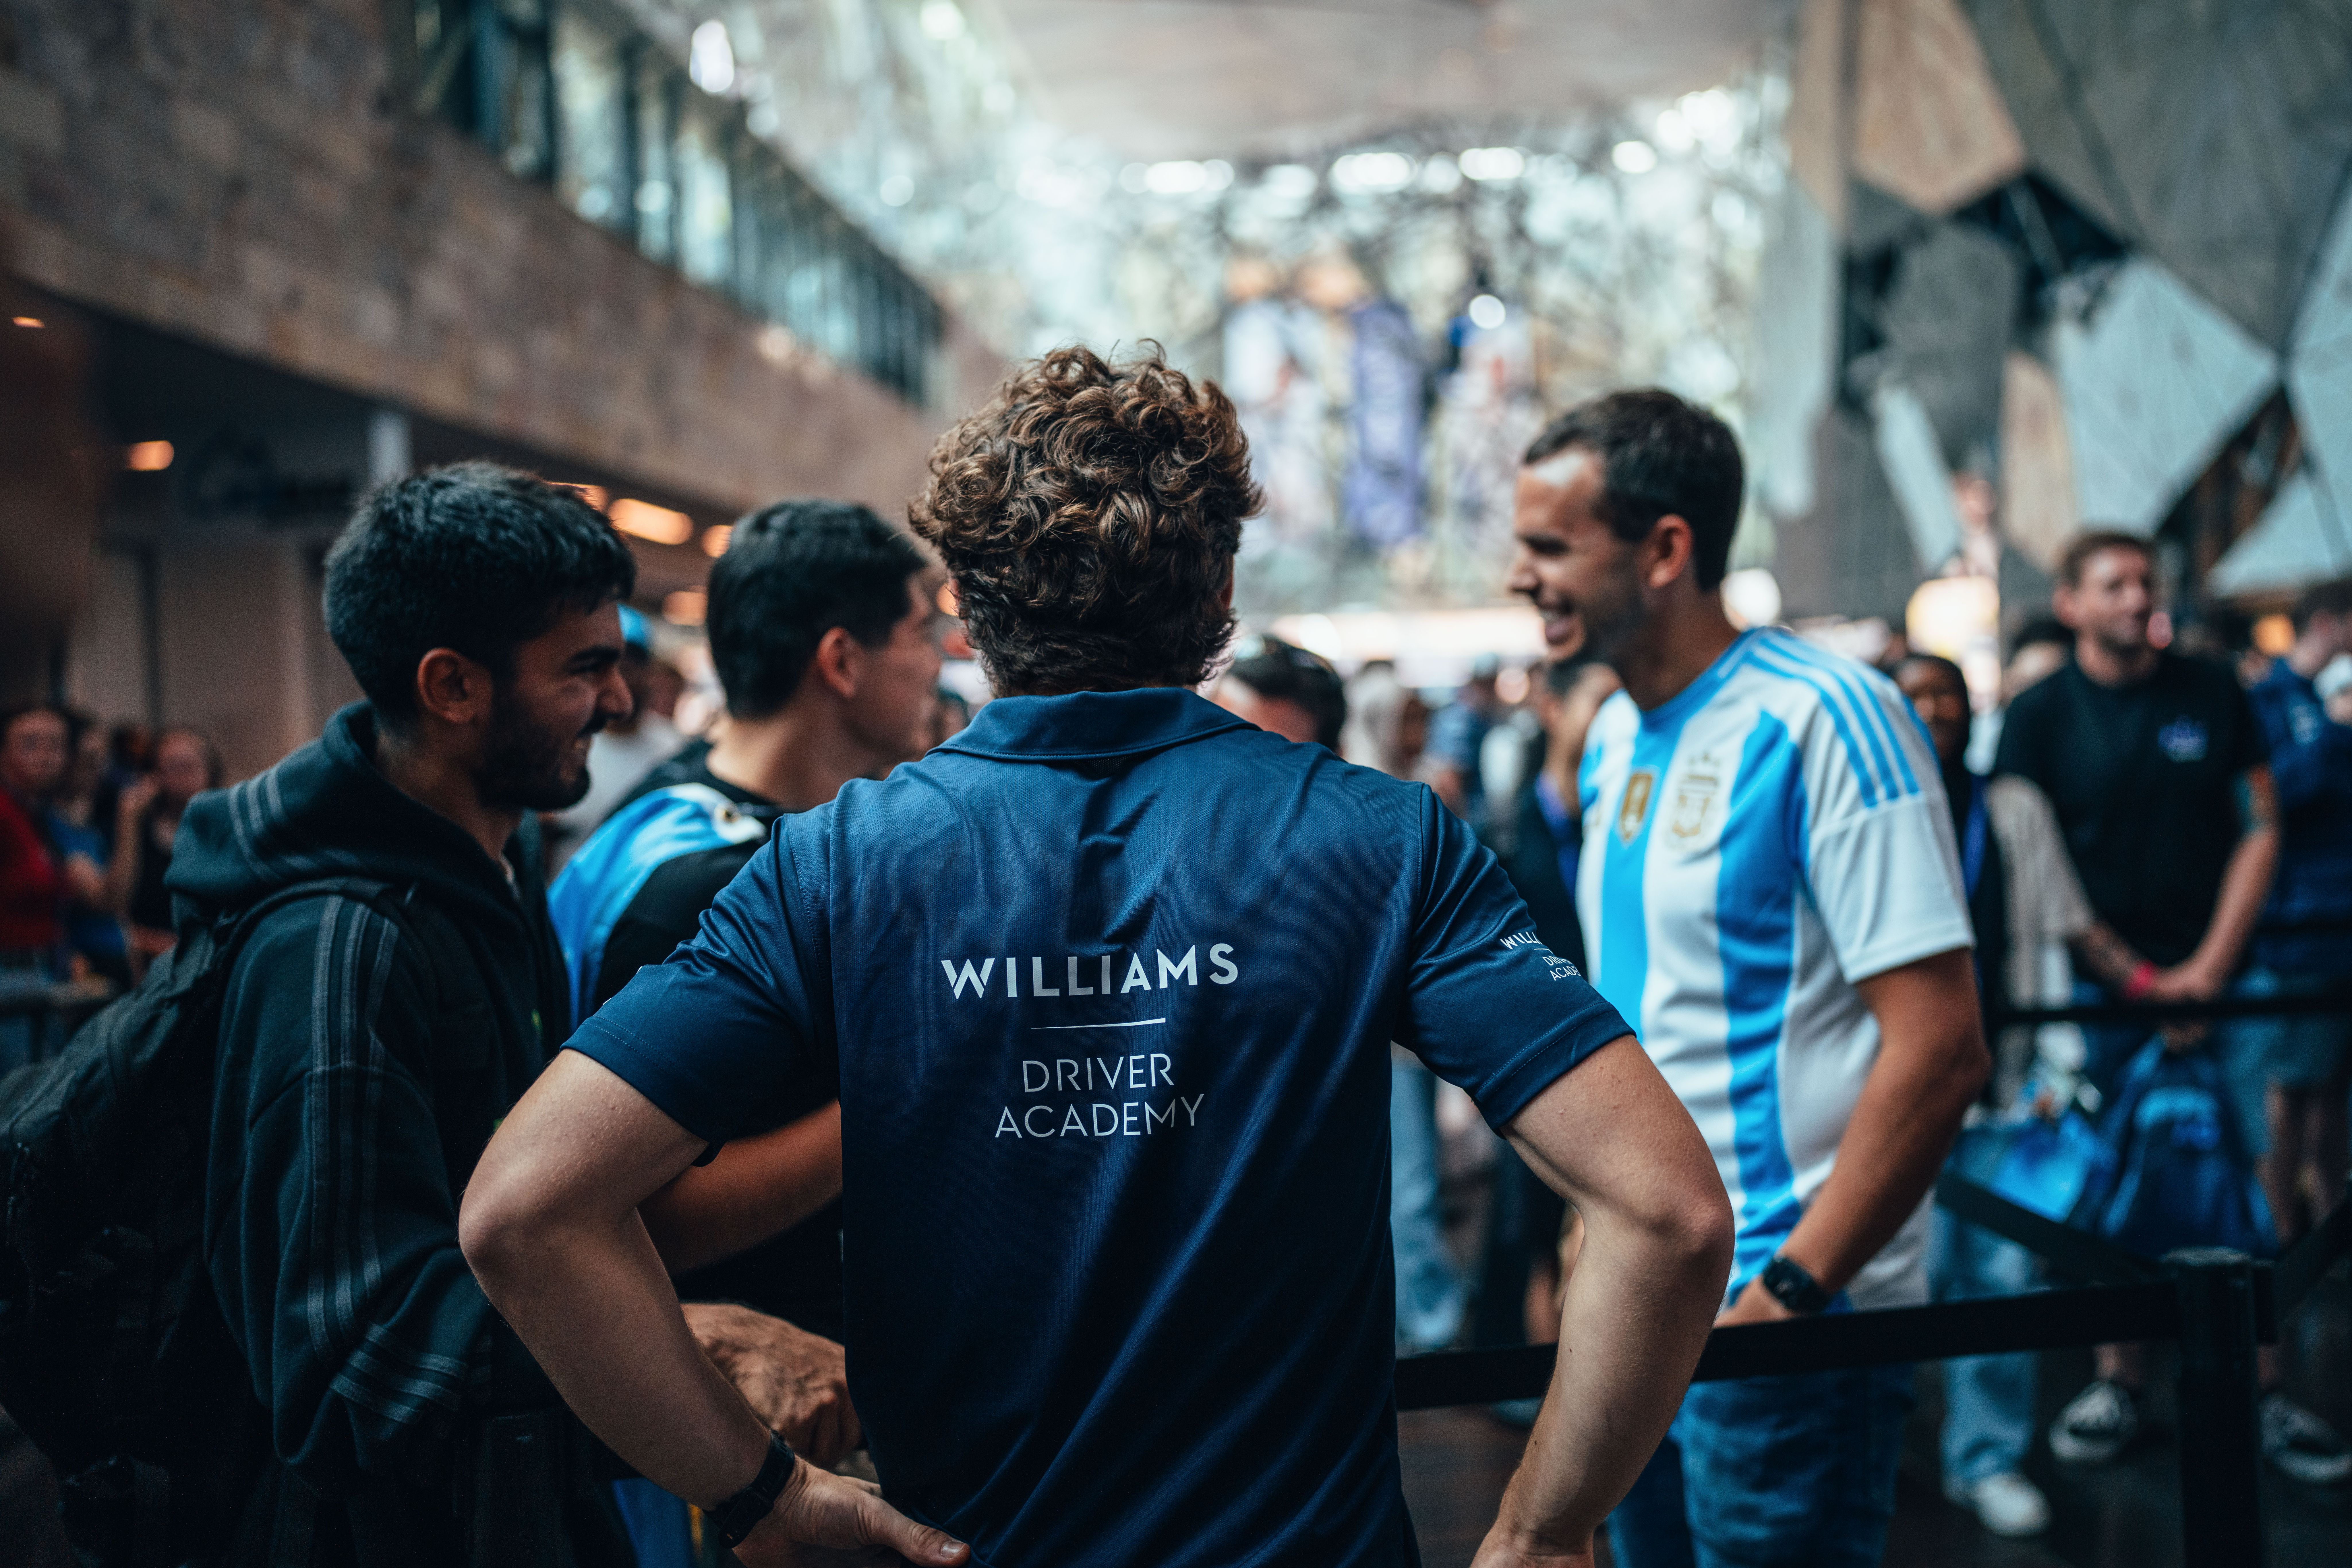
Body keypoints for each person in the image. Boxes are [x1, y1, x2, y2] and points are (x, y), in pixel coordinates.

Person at [461, 345, 1736, 1568]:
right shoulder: (1377, 841)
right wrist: (1545, 1525)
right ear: (1220, 592)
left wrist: (758, 1496)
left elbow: (526, 1210)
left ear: (967, 608)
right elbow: (1667, 1211)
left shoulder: (837, 862)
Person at [165, 462, 846, 1565]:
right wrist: (678, 1346)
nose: (621, 702)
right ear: (451, 687)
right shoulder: (337, 949)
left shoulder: (497, 863)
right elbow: (351, 1363)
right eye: (585, 668)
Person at [1508, 389, 1990, 1567]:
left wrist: (1791, 1291)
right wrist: (1586, 1238)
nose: (1522, 577)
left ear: (1664, 549)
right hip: (1642, 1297)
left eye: (1551, 546)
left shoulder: (1829, 715)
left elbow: (1939, 1047)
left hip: (1777, 1322)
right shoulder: (1614, 733)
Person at [1992, 531, 2347, 1483]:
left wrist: (2209, 969)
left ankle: (2268, 1390)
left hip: (2231, 984)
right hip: (2100, 995)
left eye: (2145, 580)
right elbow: (2035, 863)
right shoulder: (2038, 714)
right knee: (2110, 1181)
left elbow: (2259, 826)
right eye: (2112, 583)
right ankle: (2120, 1379)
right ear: (2071, 603)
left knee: (2259, 1177)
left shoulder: (2211, 689)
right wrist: (2138, 982)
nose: (2135, 596)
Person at [1892, 653, 2108, 1537]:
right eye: (1914, 694)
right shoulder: (1865, 804)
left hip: (2001, 1085)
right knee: (1895, 1275)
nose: (1933, 707)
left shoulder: (2011, 805)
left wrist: (2059, 1057)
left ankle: (1986, 1456)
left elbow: (2049, 937)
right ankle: (1883, 1450)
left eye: (1946, 692)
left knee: (2001, 1275)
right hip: (1890, 1095)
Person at [1478, 650, 1623, 1370]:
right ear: (1554, 712)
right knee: (1535, 1220)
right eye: (1602, 705)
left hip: (1619, 1037)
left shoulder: (1620, 813)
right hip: (1544, 1046)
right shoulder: (1514, 815)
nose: (1617, 721)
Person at [2244, 579, 2352, 1248]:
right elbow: (2273, 796)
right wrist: (2334, 733)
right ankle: (2284, 1234)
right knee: (2292, 1085)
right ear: (2329, 623)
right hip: (2300, 928)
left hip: (2341, 926)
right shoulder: (2273, 701)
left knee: (2332, 1089)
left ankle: (2331, 1226)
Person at [545, 605, 686, 869]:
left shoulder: (676, 747)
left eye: (631, 665)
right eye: (600, 667)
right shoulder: (569, 747)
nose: (621, 681)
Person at [106, 724, 222, 974]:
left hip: (212, 960)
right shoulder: (139, 826)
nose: (178, 778)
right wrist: (128, 818)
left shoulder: (224, 829)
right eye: (169, 768)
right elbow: (115, 909)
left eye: (187, 767)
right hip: (150, 964)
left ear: (210, 772)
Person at [1425, 653, 1503, 822]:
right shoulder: (1459, 719)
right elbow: (1449, 782)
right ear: (1473, 683)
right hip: (1468, 820)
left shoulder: (1485, 717)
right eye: (1483, 683)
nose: (1488, 690)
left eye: (1491, 683)